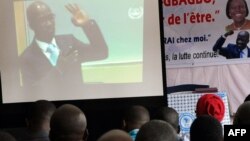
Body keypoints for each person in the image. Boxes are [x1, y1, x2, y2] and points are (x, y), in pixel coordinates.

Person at [20, 1, 108, 89]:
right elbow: (31, 92)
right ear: (31, 25)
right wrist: (59, 68)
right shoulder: (27, 58)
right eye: (42, 20)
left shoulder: (69, 42)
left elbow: (101, 53)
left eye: (50, 17)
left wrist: (87, 24)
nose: (49, 23)